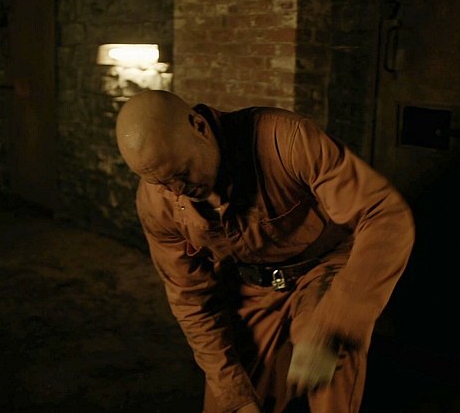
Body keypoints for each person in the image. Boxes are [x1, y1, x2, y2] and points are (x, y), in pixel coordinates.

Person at [114, 89, 414, 413]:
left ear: (199, 126)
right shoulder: (157, 204)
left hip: (323, 265)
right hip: (251, 285)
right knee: (231, 402)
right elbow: (191, 299)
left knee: (330, 356)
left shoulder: (285, 140)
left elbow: (384, 215)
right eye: (162, 183)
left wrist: (333, 322)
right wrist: (235, 394)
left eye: (182, 173)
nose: (176, 191)